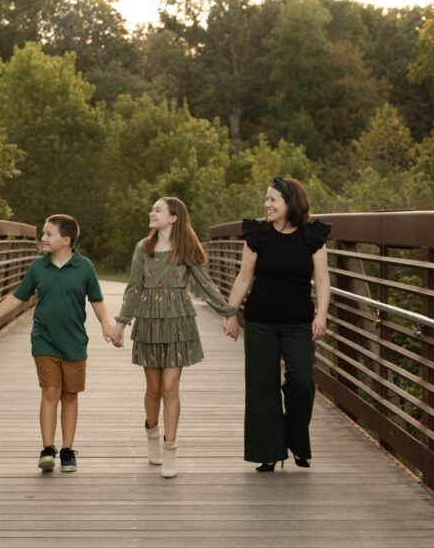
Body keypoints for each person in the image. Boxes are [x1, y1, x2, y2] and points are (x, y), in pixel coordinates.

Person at [113, 197, 239, 478]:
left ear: (173, 218)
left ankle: (170, 447)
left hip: (178, 321)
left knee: (170, 388)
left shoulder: (187, 248)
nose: (151, 212)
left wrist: (228, 312)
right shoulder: (143, 249)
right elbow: (134, 288)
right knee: (154, 389)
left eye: (157, 209)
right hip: (148, 320)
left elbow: (205, 284)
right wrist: (122, 323)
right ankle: (152, 433)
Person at [0, 214, 120, 473]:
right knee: (50, 391)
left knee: (70, 395)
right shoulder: (38, 267)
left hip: (74, 342)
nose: (43, 238)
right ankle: (47, 449)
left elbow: (96, 299)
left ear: (66, 240)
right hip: (44, 340)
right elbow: (18, 297)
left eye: (49, 234)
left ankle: (67, 449)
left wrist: (106, 323)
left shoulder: (85, 267)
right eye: (43, 233)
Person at [225, 176, 330, 472]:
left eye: (273, 200)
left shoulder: (312, 235)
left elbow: (322, 280)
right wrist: (230, 312)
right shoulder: (258, 234)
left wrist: (321, 314)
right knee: (261, 387)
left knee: (302, 382)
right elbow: (244, 277)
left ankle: (295, 439)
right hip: (260, 321)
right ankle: (268, 451)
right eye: (266, 199)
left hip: (299, 322)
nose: (266, 204)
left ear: (290, 203)